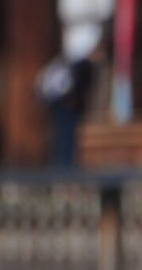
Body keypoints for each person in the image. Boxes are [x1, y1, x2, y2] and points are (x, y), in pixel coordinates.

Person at [36, 23, 105, 168]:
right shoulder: (82, 66)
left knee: (62, 138)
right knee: (66, 139)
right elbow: (77, 89)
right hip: (67, 108)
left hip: (60, 105)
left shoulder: (74, 64)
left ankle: (61, 167)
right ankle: (64, 169)